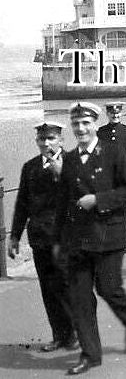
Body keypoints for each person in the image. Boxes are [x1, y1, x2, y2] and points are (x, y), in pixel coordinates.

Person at [54, 102, 126, 375]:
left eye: (86, 123)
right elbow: (63, 203)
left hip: (109, 237)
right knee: (80, 298)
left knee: (108, 288)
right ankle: (90, 355)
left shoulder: (113, 152)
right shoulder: (68, 159)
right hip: (78, 241)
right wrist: (58, 241)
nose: (81, 129)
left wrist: (99, 200)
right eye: (76, 124)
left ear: (95, 124)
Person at [9, 121, 77, 352]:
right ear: (36, 141)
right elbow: (22, 204)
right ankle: (59, 335)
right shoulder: (29, 167)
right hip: (39, 238)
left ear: (61, 140)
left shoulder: (73, 162)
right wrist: (14, 236)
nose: (46, 143)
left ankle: (75, 333)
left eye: (51, 138)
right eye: (42, 139)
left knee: (67, 286)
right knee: (48, 289)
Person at [98, 102, 126, 179]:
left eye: (117, 113)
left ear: (121, 113)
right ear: (107, 113)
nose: (115, 116)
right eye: (112, 113)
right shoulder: (101, 132)